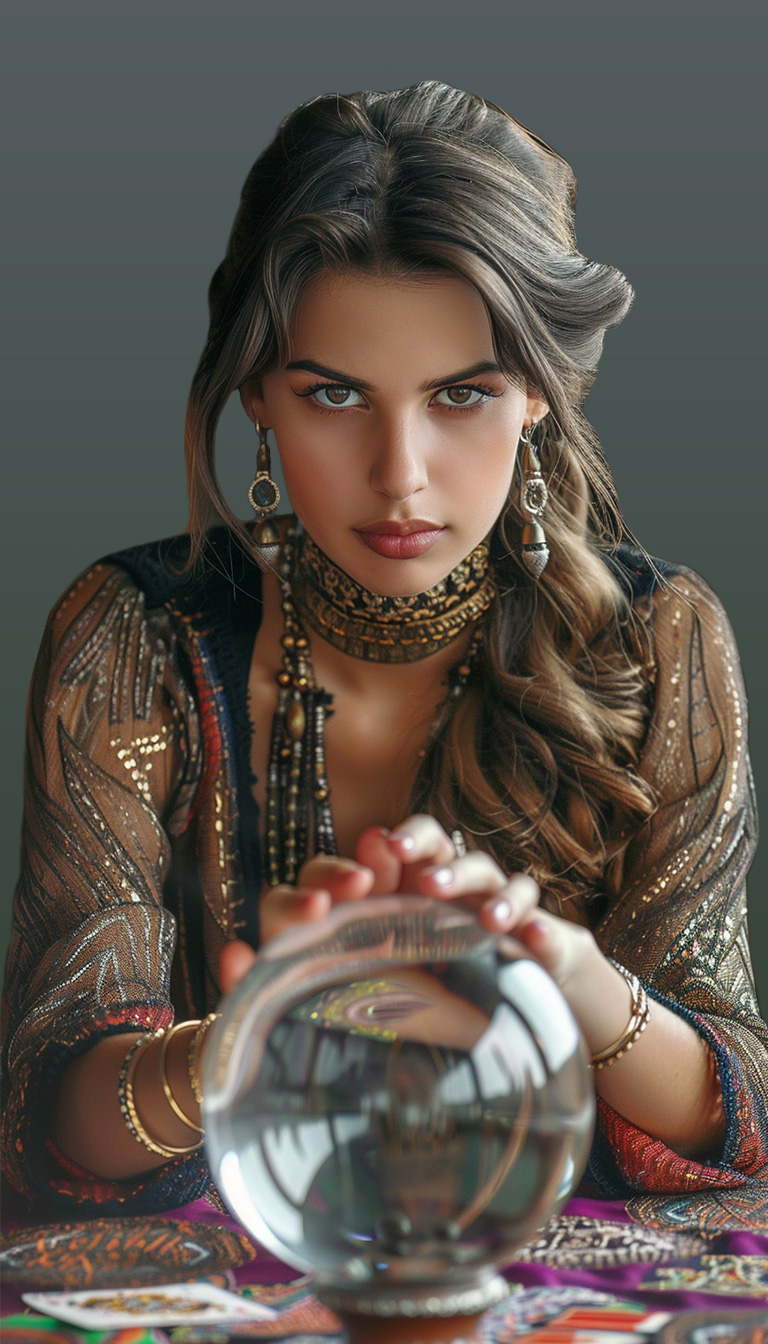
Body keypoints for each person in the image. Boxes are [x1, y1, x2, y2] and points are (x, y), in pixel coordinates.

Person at [1, 81, 765, 1234]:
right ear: (257, 392)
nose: (400, 473)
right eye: (335, 395)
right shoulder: (134, 638)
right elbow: (49, 1117)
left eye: (463, 394)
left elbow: (738, 1117)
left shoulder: (659, 642)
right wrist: (259, 1030)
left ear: (540, 402)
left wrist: (573, 982)